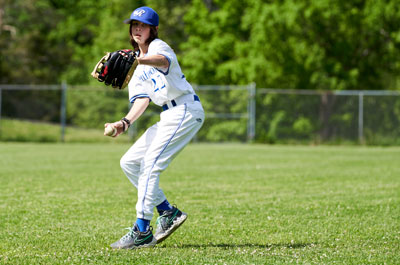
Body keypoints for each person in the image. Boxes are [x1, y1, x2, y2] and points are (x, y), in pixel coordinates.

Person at [106, 6, 205, 249]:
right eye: (134, 25)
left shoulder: (159, 47)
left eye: (143, 25)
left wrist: (138, 58)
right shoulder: (135, 67)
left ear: (153, 30)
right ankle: (168, 212)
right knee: (129, 162)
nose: (137, 29)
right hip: (169, 114)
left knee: (150, 165)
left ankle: (142, 231)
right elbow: (142, 100)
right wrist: (124, 123)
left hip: (185, 109)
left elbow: (163, 61)